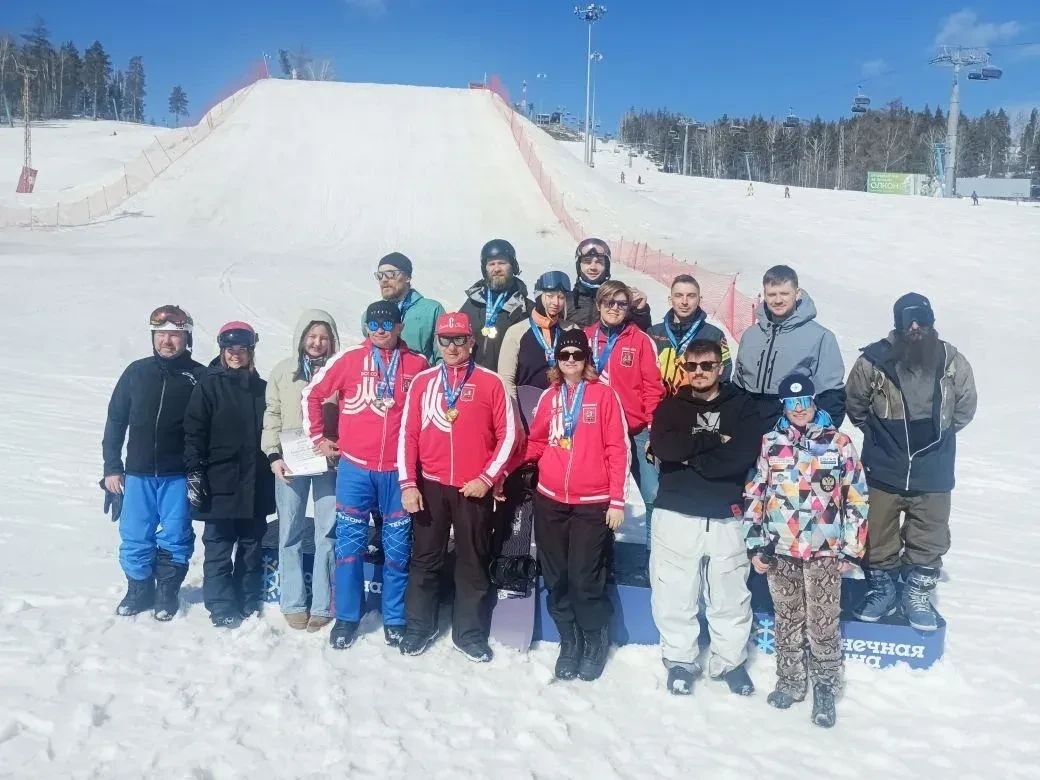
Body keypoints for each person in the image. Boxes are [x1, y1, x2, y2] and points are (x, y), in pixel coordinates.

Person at [846, 293, 976, 632]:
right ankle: (883, 588)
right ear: (898, 324)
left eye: (921, 319)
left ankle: (917, 593)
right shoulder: (874, 361)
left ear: (931, 322)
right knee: (876, 534)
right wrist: (881, 438)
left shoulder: (952, 361)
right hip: (883, 468)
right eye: (908, 321)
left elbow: (965, 409)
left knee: (929, 536)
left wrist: (939, 439)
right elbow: (855, 405)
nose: (915, 327)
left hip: (933, 469)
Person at [744, 373, 868, 728]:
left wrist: (851, 548)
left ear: (814, 402)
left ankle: (825, 687)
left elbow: (856, 496)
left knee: (823, 621)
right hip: (780, 547)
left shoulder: (838, 442)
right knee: (788, 618)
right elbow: (755, 493)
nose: (799, 409)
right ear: (784, 406)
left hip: (824, 549)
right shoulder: (771, 442)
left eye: (804, 402)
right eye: (791, 403)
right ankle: (790, 680)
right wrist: (755, 541)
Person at [303, 301, 429, 649]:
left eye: (388, 322)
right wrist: (318, 437)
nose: (380, 329)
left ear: (400, 326)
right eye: (373, 322)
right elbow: (312, 395)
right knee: (349, 548)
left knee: (397, 550)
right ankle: (346, 616)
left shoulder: (417, 364)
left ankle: (395, 618)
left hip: (398, 472)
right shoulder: (348, 360)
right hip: (355, 469)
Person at [397, 312, 522, 661]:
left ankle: (468, 633)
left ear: (471, 342)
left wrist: (487, 477)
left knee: (472, 560)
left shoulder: (490, 382)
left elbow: (509, 435)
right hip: (431, 484)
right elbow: (407, 435)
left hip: (473, 487)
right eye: (445, 340)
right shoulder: (423, 382)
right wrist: (408, 483)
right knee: (425, 559)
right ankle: (419, 626)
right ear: (437, 342)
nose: (451, 347)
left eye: (458, 339)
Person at [649, 339, 764, 696]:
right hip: (675, 512)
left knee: (729, 594)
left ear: (720, 367)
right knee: (675, 591)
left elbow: (741, 456)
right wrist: (714, 443)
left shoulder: (742, 407)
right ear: (684, 369)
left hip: (725, 514)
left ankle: (729, 661)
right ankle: (680, 660)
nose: (700, 372)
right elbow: (664, 448)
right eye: (693, 366)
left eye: (708, 365)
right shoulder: (670, 407)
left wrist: (689, 455)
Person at [522, 329, 628, 682]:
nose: (570, 361)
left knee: (585, 577)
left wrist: (616, 500)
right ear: (556, 359)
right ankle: (569, 641)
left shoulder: (603, 395)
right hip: (550, 499)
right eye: (564, 355)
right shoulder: (550, 397)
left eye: (577, 355)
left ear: (586, 360)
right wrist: (512, 466)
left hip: (592, 502)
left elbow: (617, 449)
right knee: (557, 576)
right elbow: (536, 440)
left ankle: (594, 639)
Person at [102, 305, 204, 620]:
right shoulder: (137, 372)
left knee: (175, 534)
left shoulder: (199, 376)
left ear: (186, 337)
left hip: (178, 474)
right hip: (137, 473)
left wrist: (198, 472)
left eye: (174, 334)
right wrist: (111, 467)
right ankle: (139, 589)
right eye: (161, 334)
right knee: (135, 533)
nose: (167, 341)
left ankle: (166, 592)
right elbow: (116, 421)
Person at [183, 322, 276, 629]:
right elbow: (194, 432)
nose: (236, 355)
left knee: (251, 544)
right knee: (219, 546)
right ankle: (221, 602)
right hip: (219, 480)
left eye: (242, 350)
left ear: (251, 352)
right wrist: (195, 471)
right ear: (222, 351)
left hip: (256, 482)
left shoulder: (262, 389)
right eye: (230, 350)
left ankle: (247, 597)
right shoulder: (208, 386)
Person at [261, 310, 340, 633]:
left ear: (331, 340)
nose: (317, 343)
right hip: (291, 462)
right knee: (290, 530)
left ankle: (322, 603)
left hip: (328, 462)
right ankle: (293, 602)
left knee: (328, 531)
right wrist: (273, 455)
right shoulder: (283, 372)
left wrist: (340, 447)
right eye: (311, 336)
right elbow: (272, 414)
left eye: (323, 337)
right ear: (301, 339)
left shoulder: (341, 371)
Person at [585, 280, 665, 545]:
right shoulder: (586, 338)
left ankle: (655, 557)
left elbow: (653, 388)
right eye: (609, 302)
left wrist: (653, 429)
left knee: (652, 492)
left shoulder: (641, 341)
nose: (615, 309)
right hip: (596, 431)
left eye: (622, 304)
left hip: (635, 429)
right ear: (599, 305)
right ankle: (601, 557)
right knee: (598, 495)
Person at [732, 264, 846, 427]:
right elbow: (738, 384)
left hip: (792, 421)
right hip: (748, 420)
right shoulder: (751, 335)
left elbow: (831, 393)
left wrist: (822, 431)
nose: (778, 300)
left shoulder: (820, 337)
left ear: (797, 293)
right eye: (772, 294)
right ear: (764, 294)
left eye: (785, 293)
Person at [647, 274, 732, 395]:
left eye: (691, 296)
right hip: (661, 405)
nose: (684, 302)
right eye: (679, 295)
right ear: (670, 299)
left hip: (697, 406)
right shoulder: (654, 333)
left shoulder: (714, 335)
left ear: (699, 299)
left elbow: (724, 376)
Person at [497, 270, 572, 406]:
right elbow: (506, 379)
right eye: (550, 296)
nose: (556, 302)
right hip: (526, 408)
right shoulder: (516, 332)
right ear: (538, 295)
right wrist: (515, 415)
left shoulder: (571, 330)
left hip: (562, 407)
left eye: (561, 297)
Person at [459, 239, 533, 371]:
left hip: (508, 383)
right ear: (484, 268)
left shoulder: (526, 309)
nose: (496, 269)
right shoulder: (471, 304)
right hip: (474, 380)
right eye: (491, 264)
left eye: (502, 263)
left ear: (513, 266)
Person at [364, 252, 445, 364]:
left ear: (407, 277)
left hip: (419, 377)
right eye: (380, 275)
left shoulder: (431, 310)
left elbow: (443, 355)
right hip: (383, 379)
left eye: (390, 274)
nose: (384, 280)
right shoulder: (371, 313)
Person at [568, 238, 651, 331]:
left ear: (606, 267)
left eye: (599, 262)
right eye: (587, 262)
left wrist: (640, 311)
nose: (593, 267)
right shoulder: (566, 301)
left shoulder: (621, 298)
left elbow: (641, 335)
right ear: (579, 266)